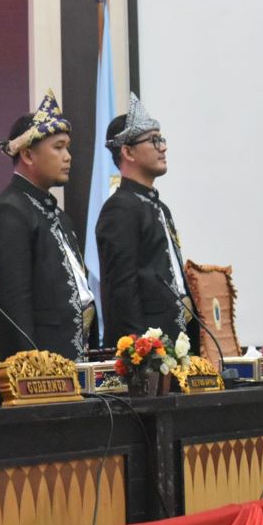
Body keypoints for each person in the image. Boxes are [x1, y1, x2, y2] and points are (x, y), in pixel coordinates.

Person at [0, 90, 97, 361]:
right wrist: (33, 370)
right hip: (39, 370)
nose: (68, 156)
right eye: (58, 147)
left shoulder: (56, 214)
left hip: (70, 359)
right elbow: (13, 307)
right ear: (29, 155)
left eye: (67, 147)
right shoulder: (8, 213)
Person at [96, 93, 197, 347]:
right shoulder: (120, 208)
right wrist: (141, 354)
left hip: (175, 344)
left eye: (161, 139)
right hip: (147, 354)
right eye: (153, 140)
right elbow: (121, 290)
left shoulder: (159, 207)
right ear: (127, 151)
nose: (163, 147)